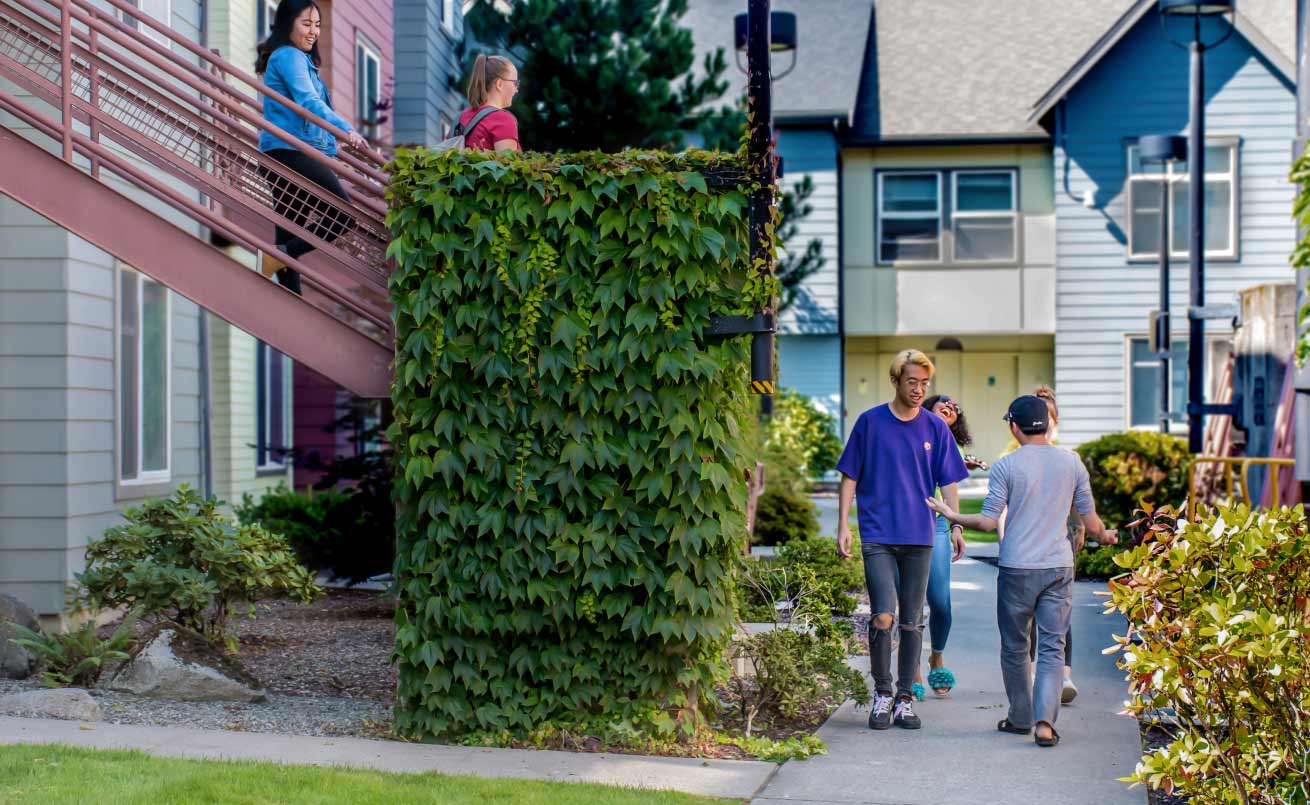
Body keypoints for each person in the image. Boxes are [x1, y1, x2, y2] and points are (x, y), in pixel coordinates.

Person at [927, 396, 1117, 748]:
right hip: (1058, 567)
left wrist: (952, 516)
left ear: (1014, 427)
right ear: (1047, 423)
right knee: (1051, 647)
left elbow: (986, 521)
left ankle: (1019, 717)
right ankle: (1045, 723)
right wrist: (1106, 535)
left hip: (1016, 568)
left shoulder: (1006, 466)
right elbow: (1091, 523)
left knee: (1016, 647)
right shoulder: (1072, 464)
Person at [837, 350, 969, 731]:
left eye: (924, 384)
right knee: (883, 615)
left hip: (920, 535)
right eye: (912, 382)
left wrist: (956, 525)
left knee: (912, 621)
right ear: (896, 380)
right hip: (878, 533)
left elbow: (949, 481)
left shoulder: (935, 428)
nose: (918, 389)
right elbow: (850, 475)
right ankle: (881, 693)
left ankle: (904, 700)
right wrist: (844, 524)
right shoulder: (870, 423)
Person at [255, 0, 365, 295]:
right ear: (287, 23)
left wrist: (331, 151)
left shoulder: (296, 58)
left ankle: (290, 300)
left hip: (285, 153)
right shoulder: (289, 56)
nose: (314, 31)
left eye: (318, 25)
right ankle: (279, 257)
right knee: (343, 216)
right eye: (306, 24)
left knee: (289, 233)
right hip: (288, 154)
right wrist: (346, 130)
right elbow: (308, 103)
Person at [1001, 385, 1083, 705]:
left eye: (1048, 415)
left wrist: (1079, 528)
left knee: (1059, 616)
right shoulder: (1015, 457)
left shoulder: (1068, 458)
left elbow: (1078, 498)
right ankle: (1035, 673)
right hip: (1025, 549)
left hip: (1057, 547)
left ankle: (1063, 676)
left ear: (1055, 420)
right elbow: (1005, 504)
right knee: (1030, 618)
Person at [913, 394, 985, 699]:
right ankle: (912, 668)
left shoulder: (947, 443)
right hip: (902, 527)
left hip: (936, 525)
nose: (949, 406)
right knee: (912, 604)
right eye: (942, 403)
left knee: (940, 602)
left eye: (954, 407)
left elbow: (949, 485)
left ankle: (937, 655)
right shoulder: (907, 432)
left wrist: (956, 525)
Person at [457, 55, 521, 152]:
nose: (516, 90)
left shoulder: (459, 119)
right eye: (515, 83)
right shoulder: (502, 119)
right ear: (499, 84)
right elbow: (509, 165)